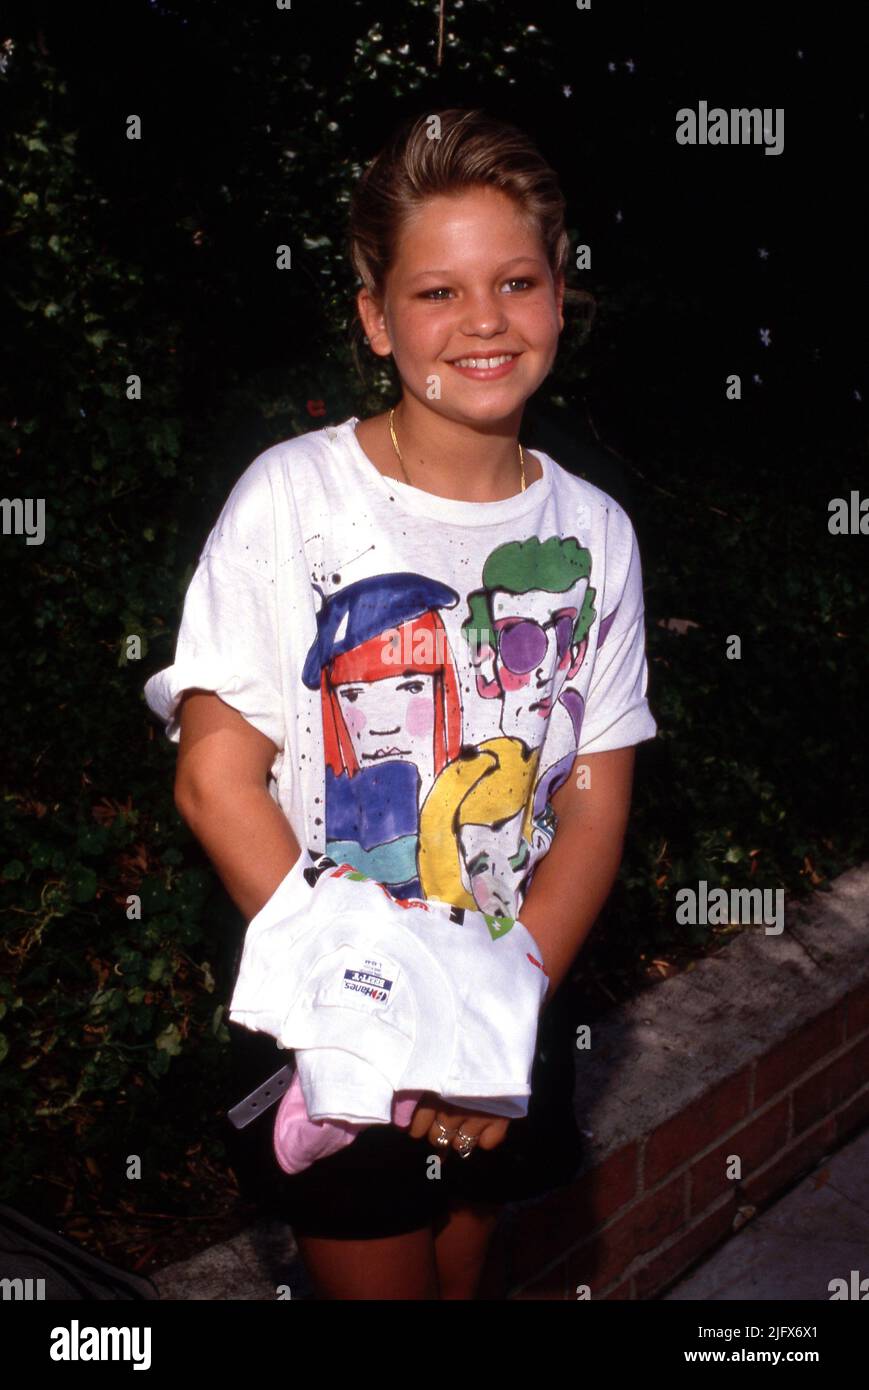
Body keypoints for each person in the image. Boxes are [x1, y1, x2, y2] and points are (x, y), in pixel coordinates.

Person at [143, 106, 657, 1300]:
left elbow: (591, 800)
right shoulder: (293, 497)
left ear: (556, 294)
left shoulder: (594, 532)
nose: (483, 320)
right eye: (437, 292)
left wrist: (491, 1015)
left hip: (507, 999)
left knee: (468, 1262)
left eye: (514, 280)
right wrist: (385, 1027)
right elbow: (214, 779)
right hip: (343, 1017)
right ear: (376, 317)